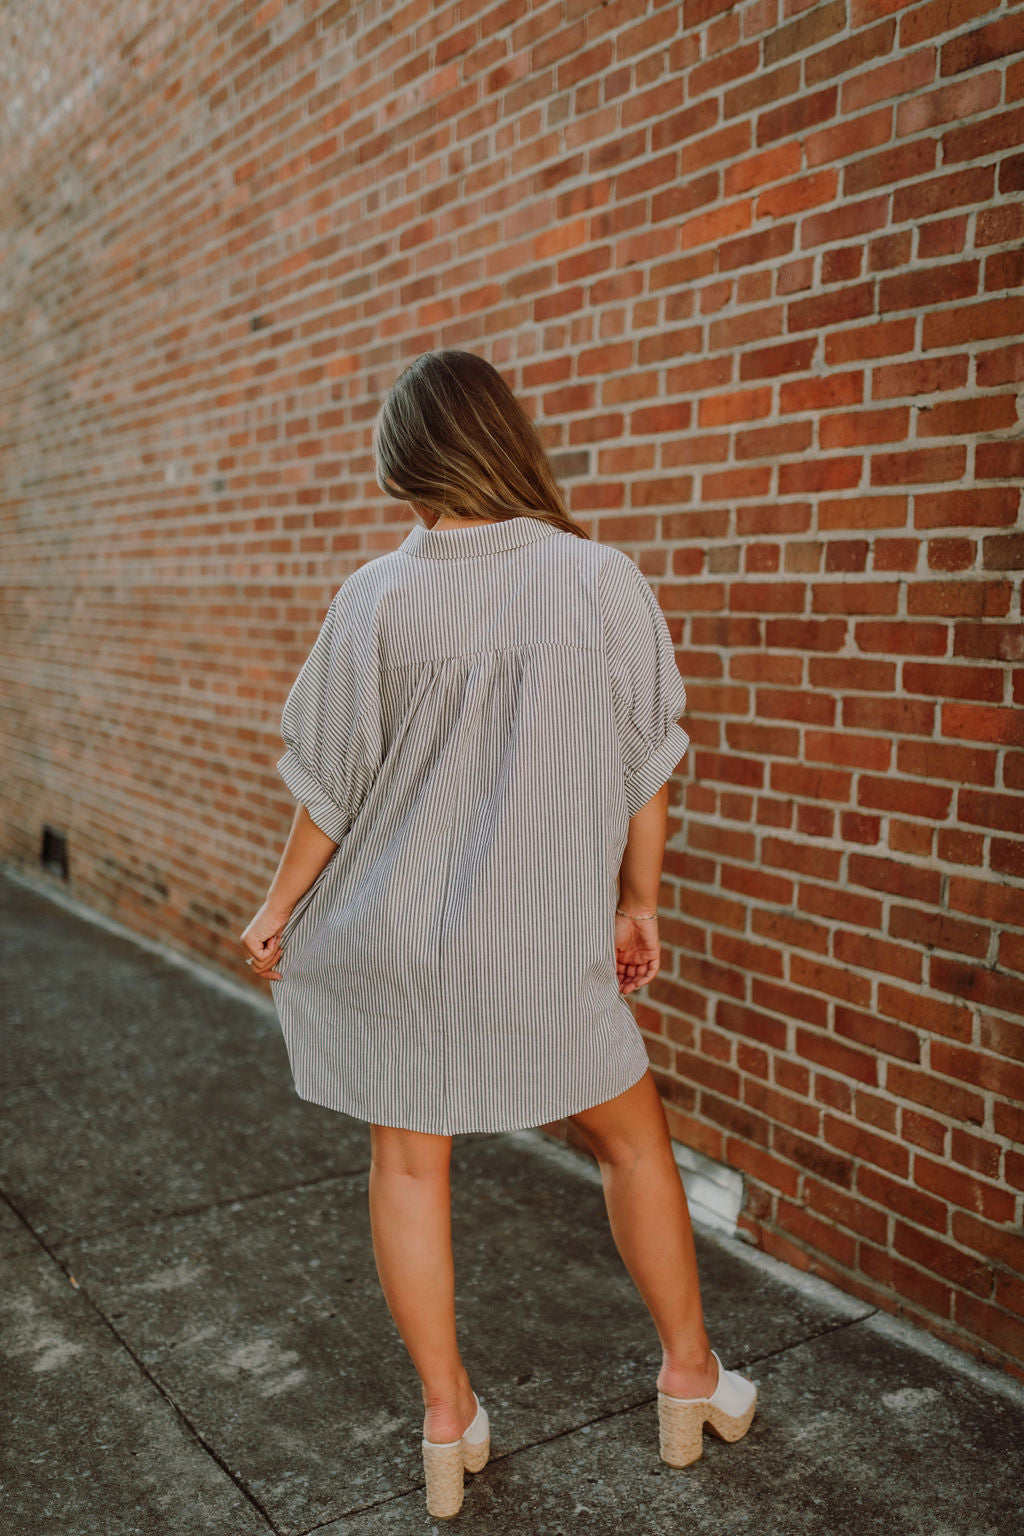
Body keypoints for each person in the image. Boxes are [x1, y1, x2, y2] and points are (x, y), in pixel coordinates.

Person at [240, 349, 757, 1519]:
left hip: (398, 944)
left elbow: (328, 786)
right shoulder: (601, 581)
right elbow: (649, 765)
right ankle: (689, 1377)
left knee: (410, 1165)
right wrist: (639, 903)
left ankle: (446, 1419)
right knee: (631, 1146)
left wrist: (276, 911)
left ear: (406, 459)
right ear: (503, 437)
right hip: (544, 946)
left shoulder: (373, 597)